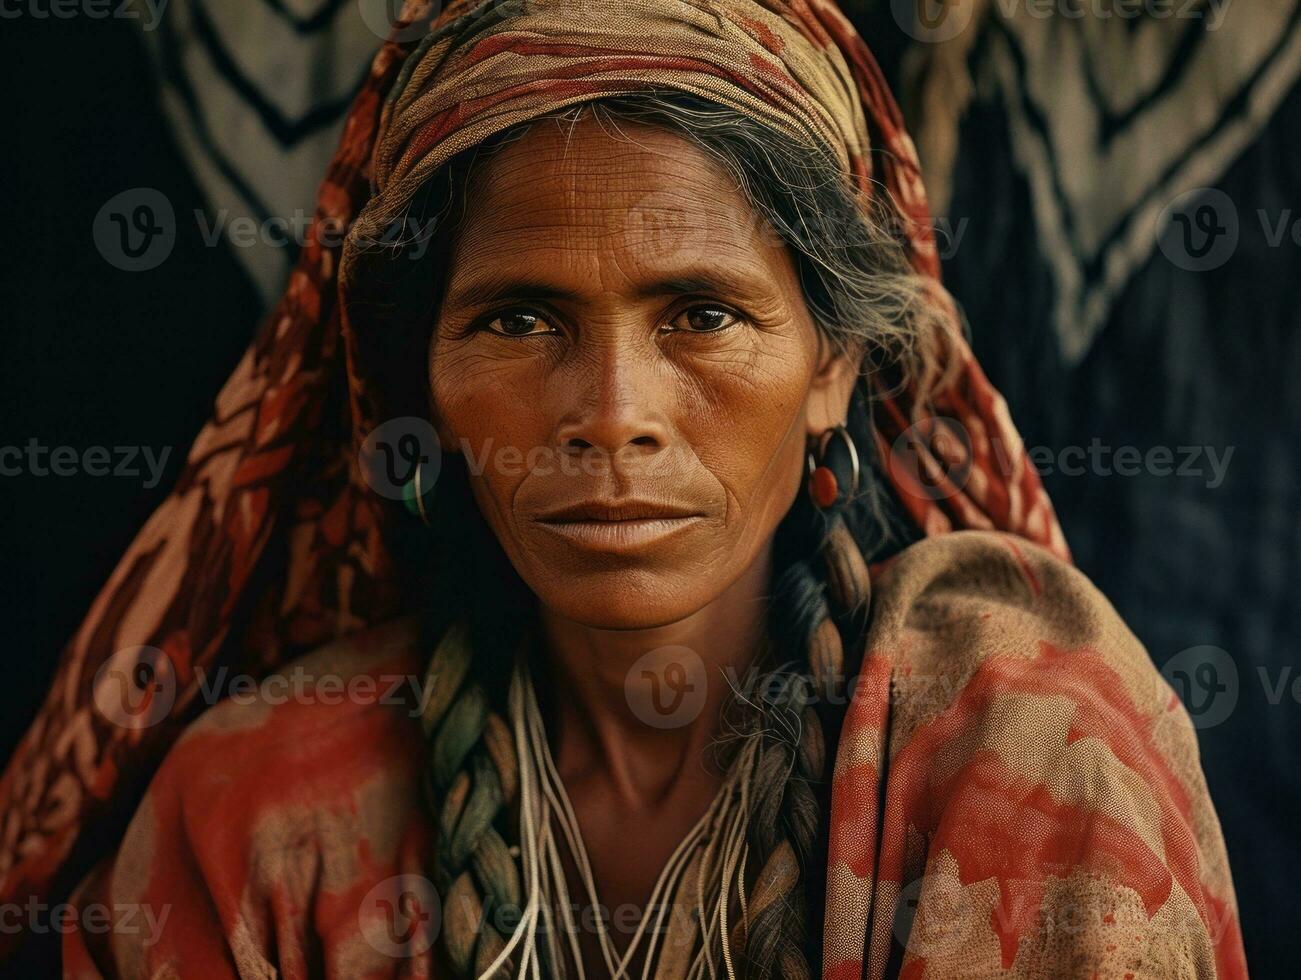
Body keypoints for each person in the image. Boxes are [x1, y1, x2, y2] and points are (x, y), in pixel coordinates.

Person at [4, 1, 1244, 977]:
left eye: (701, 313)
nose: (610, 415)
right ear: (420, 377)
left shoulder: (1021, 750)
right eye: (519, 317)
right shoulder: (255, 821)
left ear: (833, 366)